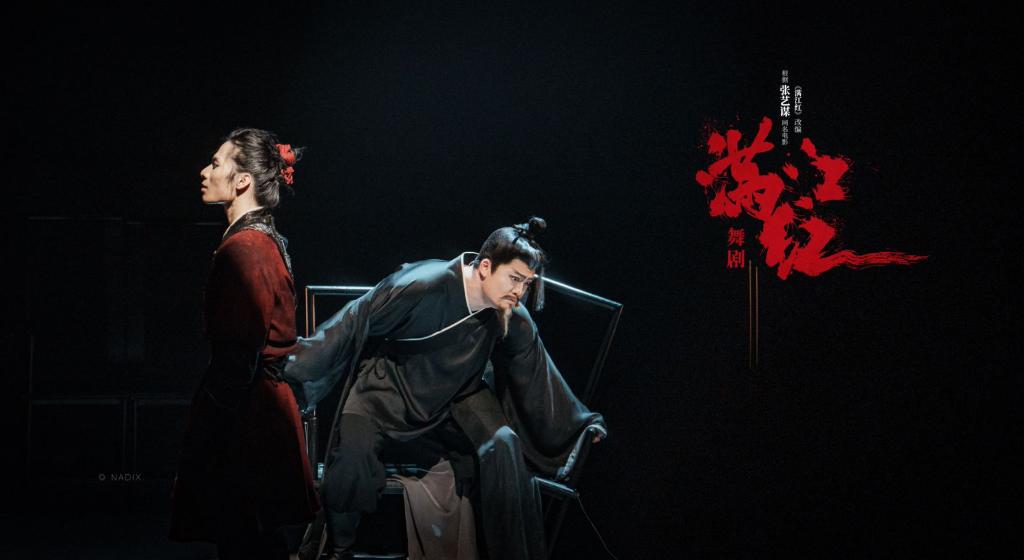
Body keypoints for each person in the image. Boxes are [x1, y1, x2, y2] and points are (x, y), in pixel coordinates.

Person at [284, 217, 606, 560]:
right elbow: (355, 319)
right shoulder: (424, 283)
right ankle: (340, 550)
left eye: (526, 283)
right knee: (350, 466)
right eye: (514, 278)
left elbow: (536, 370)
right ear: (485, 267)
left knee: (504, 444)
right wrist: (296, 366)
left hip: (455, 396)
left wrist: (580, 425)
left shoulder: (509, 313)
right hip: (385, 392)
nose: (519, 291)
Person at [169, 128, 320, 559]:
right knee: (254, 540)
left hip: (249, 417)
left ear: (242, 181)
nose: (204, 171)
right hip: (257, 408)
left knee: (245, 540)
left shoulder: (247, 248)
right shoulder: (260, 240)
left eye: (216, 163)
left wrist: (210, 428)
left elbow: (240, 352)